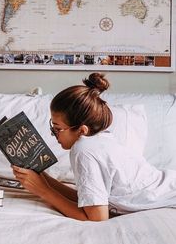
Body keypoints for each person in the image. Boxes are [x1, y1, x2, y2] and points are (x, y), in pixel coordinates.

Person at [12, 73, 176, 221]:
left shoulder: (83, 150)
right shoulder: (99, 140)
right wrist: (45, 180)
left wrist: (43, 191)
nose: (53, 134)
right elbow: (90, 201)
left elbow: (97, 219)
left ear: (82, 130)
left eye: (57, 129)